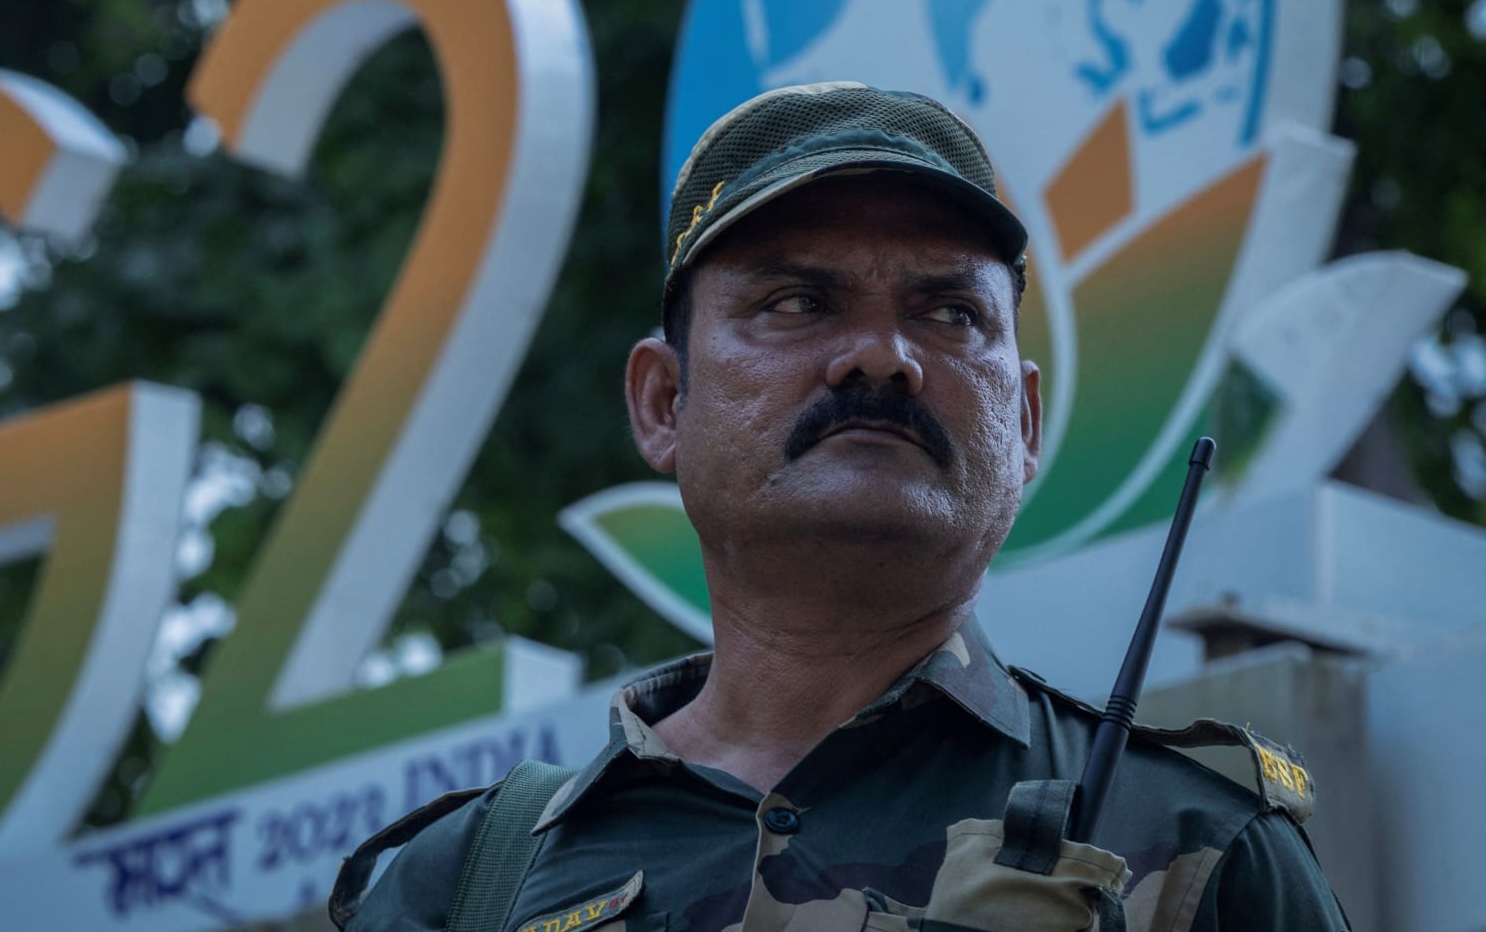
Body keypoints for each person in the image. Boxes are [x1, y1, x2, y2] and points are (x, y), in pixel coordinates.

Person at [331, 82, 1350, 931]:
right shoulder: (462, 885)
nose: (882, 355)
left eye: (948, 312)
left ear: (1026, 420)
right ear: (663, 401)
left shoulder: (1205, 848)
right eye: (796, 301)